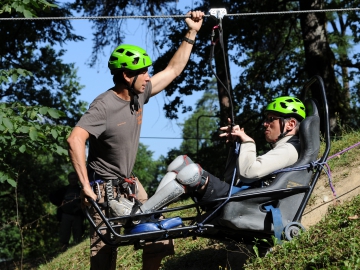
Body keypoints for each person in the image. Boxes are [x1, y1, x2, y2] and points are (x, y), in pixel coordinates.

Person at [66, 10, 205, 270]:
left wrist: (192, 31)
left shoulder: (138, 95)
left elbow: (173, 70)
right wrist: (84, 186)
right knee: (103, 257)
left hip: (130, 185)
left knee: (159, 237)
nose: (149, 77)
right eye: (144, 73)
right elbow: (75, 139)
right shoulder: (103, 106)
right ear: (128, 76)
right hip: (102, 192)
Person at [111, 96, 306, 215]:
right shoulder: (280, 149)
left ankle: (140, 214)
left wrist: (248, 141)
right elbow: (233, 178)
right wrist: (235, 146)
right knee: (181, 164)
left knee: (193, 172)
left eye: (271, 119)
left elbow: (249, 173)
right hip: (241, 193)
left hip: (249, 201)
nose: (265, 123)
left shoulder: (289, 149)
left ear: (289, 124)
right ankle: (148, 212)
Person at [49, 172, 84, 251]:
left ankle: (77, 249)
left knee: (78, 234)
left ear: (77, 179)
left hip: (77, 215)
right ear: (68, 180)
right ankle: (63, 249)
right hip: (65, 215)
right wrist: (59, 203)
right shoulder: (63, 190)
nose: (73, 181)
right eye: (71, 179)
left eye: (75, 179)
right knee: (64, 234)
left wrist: (80, 206)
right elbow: (51, 196)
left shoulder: (80, 190)